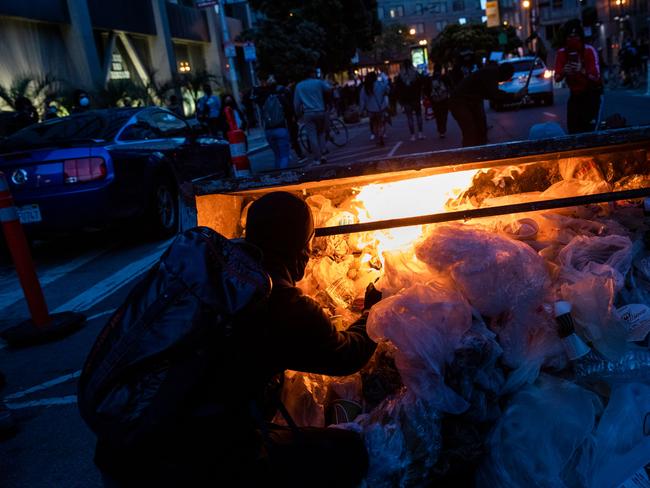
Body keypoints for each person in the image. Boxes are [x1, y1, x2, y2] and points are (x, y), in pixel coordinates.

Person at [94, 192, 380, 487]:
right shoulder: (277, 302)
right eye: (307, 247)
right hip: (181, 467)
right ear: (301, 252)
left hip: (122, 448)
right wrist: (375, 311)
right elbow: (347, 355)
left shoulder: (212, 268)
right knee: (347, 450)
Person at [449, 63, 527, 147]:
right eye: (509, 77)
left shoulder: (491, 73)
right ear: (506, 74)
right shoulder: (491, 74)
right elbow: (495, 95)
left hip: (472, 101)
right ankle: (469, 154)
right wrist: (515, 95)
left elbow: (490, 94)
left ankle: (481, 151)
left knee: (481, 129)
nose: (508, 79)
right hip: (459, 102)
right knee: (470, 130)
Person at [554, 20, 602, 134]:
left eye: (575, 35)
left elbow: (596, 76)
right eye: (569, 36)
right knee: (573, 130)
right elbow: (556, 78)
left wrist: (582, 70)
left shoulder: (589, 50)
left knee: (589, 130)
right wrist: (564, 72)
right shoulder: (562, 53)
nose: (572, 39)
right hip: (574, 96)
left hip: (591, 94)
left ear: (580, 36)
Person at [253, 76, 292, 169]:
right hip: (281, 128)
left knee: (277, 156)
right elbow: (289, 111)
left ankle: (278, 176)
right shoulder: (280, 98)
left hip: (269, 130)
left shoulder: (263, 100)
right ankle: (284, 176)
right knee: (284, 155)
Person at [293, 69, 331, 165]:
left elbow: (296, 103)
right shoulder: (318, 82)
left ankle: (317, 158)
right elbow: (329, 88)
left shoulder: (299, 86)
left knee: (312, 136)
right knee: (321, 133)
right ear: (312, 74)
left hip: (308, 113)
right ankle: (323, 154)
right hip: (320, 111)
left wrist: (298, 115)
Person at [395, 60, 425, 141]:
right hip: (415, 97)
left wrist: (400, 99)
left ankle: (412, 135)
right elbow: (421, 84)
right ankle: (420, 133)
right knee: (418, 115)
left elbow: (398, 89)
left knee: (409, 117)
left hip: (406, 99)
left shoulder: (400, 76)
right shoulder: (415, 74)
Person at [359, 71, 389, 147]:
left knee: (374, 125)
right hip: (380, 108)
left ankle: (377, 140)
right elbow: (386, 88)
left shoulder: (365, 87)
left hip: (370, 110)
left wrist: (361, 110)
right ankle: (381, 136)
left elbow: (362, 100)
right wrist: (384, 78)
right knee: (381, 124)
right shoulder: (379, 84)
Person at [429, 64, 452, 139]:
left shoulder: (431, 78)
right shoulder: (444, 77)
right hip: (444, 98)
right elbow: (450, 86)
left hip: (435, 99)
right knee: (444, 115)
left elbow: (428, 89)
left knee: (437, 115)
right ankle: (443, 130)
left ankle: (440, 130)